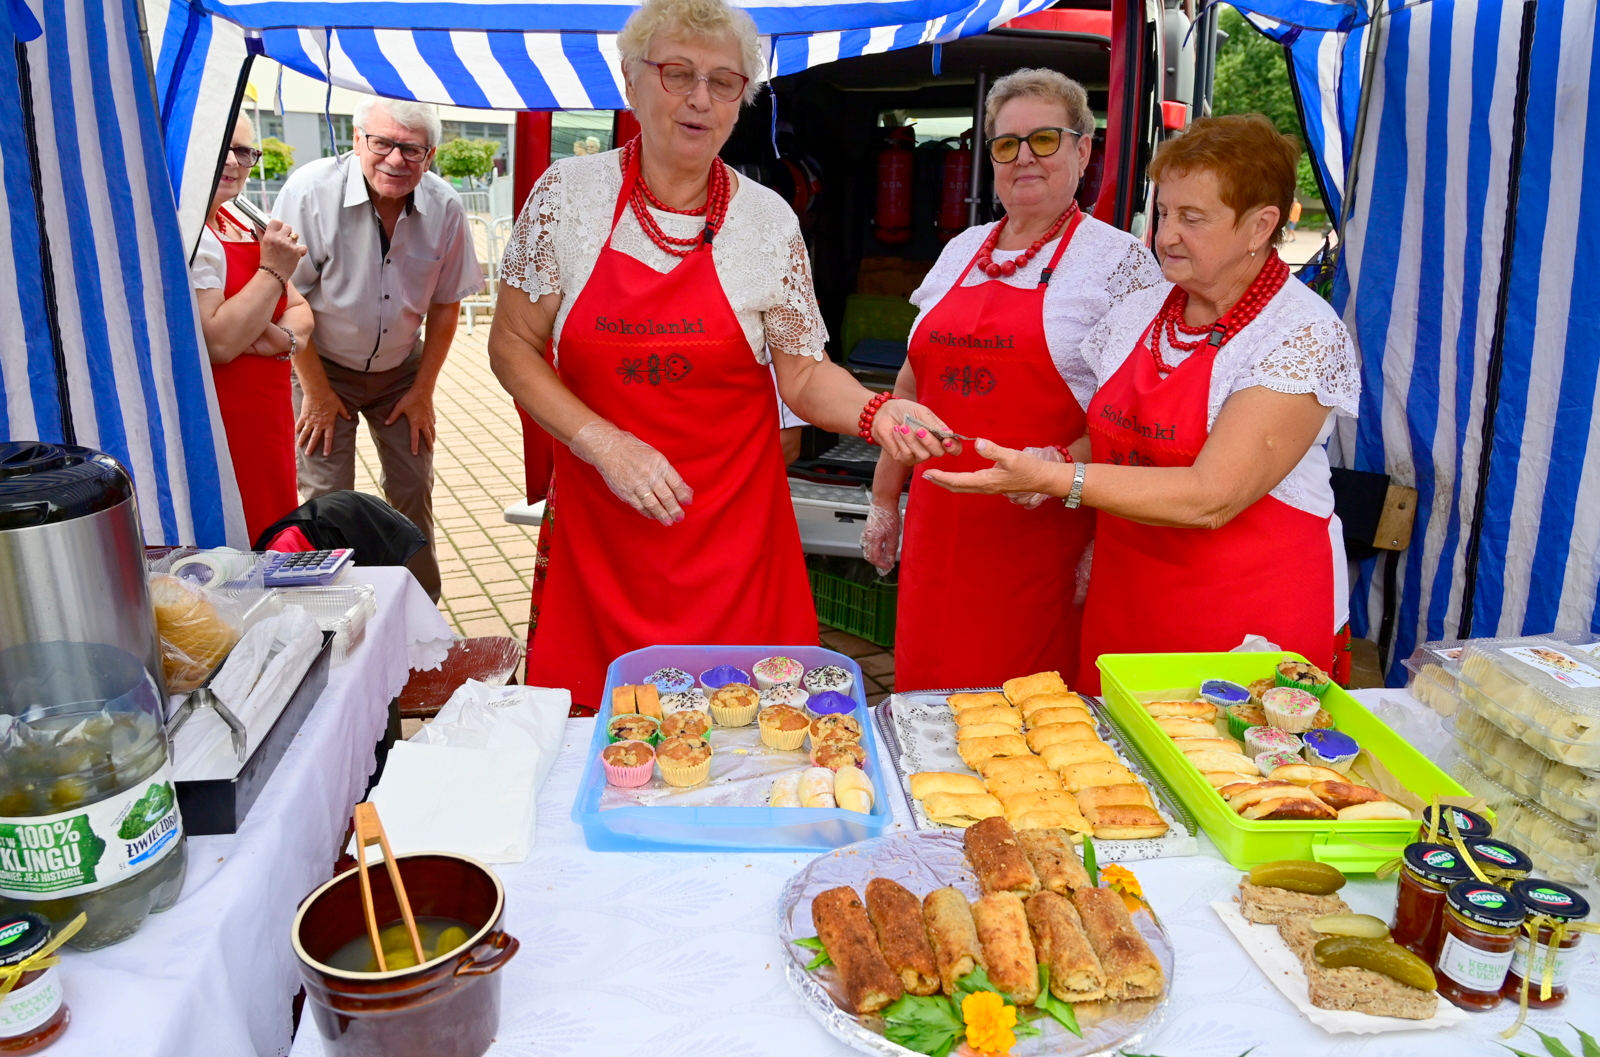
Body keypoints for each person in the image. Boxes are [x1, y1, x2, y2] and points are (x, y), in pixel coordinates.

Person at [488, 0, 955, 710]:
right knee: (601, 740)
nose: (699, 99)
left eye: (724, 81)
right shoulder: (567, 199)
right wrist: (604, 443)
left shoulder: (767, 220)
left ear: (743, 100)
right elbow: (512, 345)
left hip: (735, 545)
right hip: (601, 536)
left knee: (747, 742)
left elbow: (800, 370)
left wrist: (875, 412)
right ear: (631, 82)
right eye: (677, 74)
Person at [927, 115, 1358, 693]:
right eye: (1164, 213)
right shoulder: (1141, 312)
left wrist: (1062, 481)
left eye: (1192, 219)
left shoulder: (1299, 333)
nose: (1165, 235)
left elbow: (1212, 497)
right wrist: (1050, 459)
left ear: (1260, 226)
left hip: (1245, 621)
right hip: (1127, 600)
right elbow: (1112, 440)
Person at [860, 69, 1163, 691]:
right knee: (927, 697)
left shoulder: (1121, 262)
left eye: (1045, 139)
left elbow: (1136, 416)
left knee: (1022, 720)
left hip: (1041, 529)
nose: (1024, 157)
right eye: (1006, 143)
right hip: (940, 527)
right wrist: (886, 500)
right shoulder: (961, 248)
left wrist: (1088, 514)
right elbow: (911, 385)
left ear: (1084, 151)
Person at [274, 97, 484, 601]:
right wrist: (318, 393)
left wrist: (424, 391)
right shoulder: (310, 190)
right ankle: (327, 613)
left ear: (430, 155)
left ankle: (419, 610)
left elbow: (447, 305)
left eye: (411, 150)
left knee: (413, 489)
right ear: (357, 140)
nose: (395, 160)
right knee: (329, 497)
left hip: (401, 372)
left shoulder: (445, 207)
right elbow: (287, 294)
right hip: (320, 365)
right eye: (383, 143)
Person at [190, 112, 314, 544]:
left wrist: (282, 339)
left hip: (269, 413)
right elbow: (221, 342)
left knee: (273, 522)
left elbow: (301, 308)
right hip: (226, 420)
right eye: (221, 147)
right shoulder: (187, 232)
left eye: (243, 151)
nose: (231, 162)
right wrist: (273, 271)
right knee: (241, 534)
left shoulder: (241, 218)